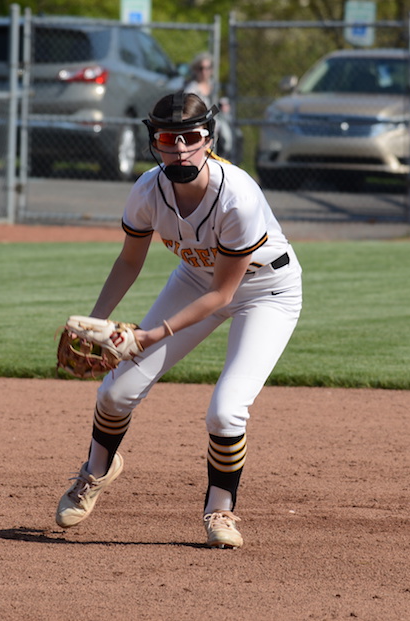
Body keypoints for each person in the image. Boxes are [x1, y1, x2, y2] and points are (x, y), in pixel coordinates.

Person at [54, 91, 303, 549]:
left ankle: (221, 511)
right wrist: (93, 323)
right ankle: (95, 471)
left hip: (266, 291)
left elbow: (223, 294)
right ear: (155, 141)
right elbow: (129, 262)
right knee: (115, 391)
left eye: (191, 138)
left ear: (209, 139)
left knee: (225, 410)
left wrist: (149, 336)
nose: (181, 149)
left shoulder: (237, 197)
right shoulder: (148, 189)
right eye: (170, 139)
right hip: (194, 278)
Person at [183, 52, 237, 161]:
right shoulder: (191, 89)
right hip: (199, 123)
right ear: (195, 70)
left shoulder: (214, 86)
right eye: (201, 68)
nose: (204, 72)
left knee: (228, 136)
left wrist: (222, 105)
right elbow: (191, 110)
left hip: (215, 121)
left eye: (207, 68)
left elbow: (216, 106)